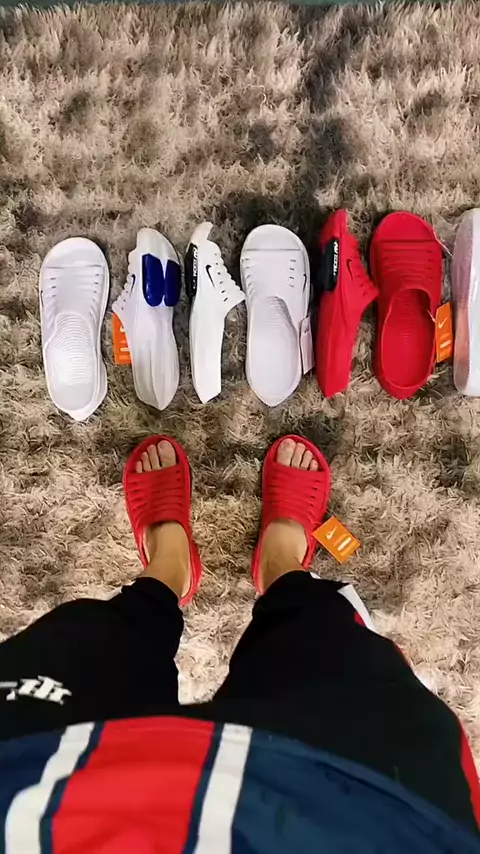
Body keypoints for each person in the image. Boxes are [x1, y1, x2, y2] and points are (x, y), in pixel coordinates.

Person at [0, 434, 479, 853]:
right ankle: (282, 567)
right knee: (325, 650)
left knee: (91, 649)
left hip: (30, 775)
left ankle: (167, 569)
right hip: (362, 813)